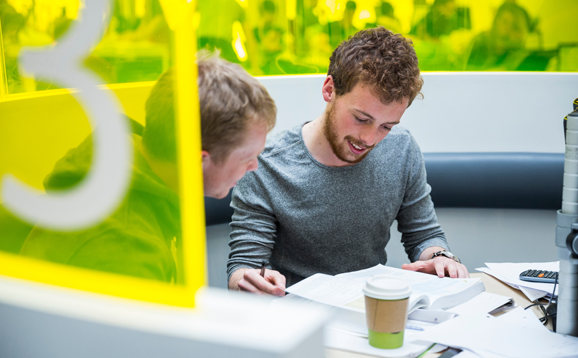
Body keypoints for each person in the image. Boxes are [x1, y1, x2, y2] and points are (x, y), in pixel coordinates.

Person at [227, 27, 469, 296]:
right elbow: (244, 264)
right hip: (298, 317)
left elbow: (424, 235)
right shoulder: (266, 164)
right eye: (361, 119)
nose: (369, 138)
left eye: (386, 126)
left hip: (373, 309)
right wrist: (248, 279)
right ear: (330, 89)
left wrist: (441, 258)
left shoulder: (401, 147)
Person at [18, 52, 276, 282]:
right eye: (246, 158)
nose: (254, 166)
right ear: (198, 160)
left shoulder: (128, 163)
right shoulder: (125, 247)